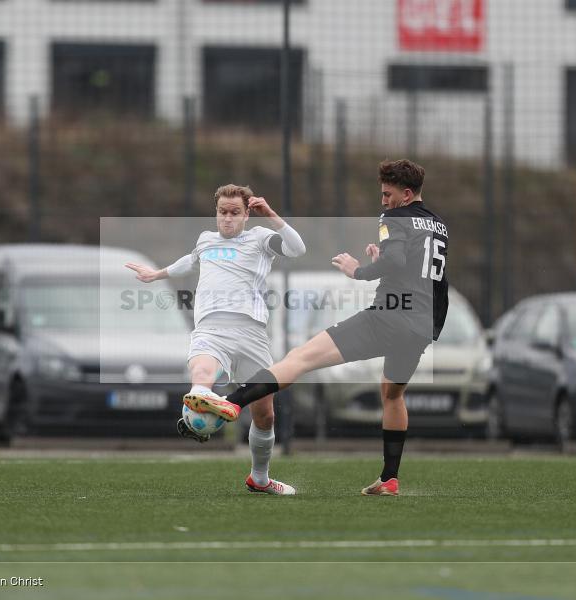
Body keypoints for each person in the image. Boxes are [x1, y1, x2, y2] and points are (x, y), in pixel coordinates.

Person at [184, 160, 449, 496]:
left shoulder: (394, 217)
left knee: (301, 357)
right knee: (392, 394)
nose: (383, 200)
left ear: (406, 193)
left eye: (388, 194)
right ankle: (390, 479)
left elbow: (395, 262)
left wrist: (359, 271)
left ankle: (233, 402)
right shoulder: (438, 224)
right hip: (421, 323)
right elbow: (426, 274)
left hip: (389, 317)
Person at [126, 184, 305, 495]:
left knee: (265, 413)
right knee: (202, 373)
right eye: (222, 212)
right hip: (211, 327)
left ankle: (259, 479)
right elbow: (190, 261)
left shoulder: (261, 238)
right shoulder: (206, 240)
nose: (227, 219)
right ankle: (199, 403)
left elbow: (297, 248)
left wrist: (273, 216)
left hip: (251, 332)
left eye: (235, 213)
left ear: (248, 213)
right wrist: (157, 274)